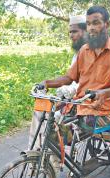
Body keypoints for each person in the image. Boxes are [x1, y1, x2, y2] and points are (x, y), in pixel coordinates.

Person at [39, 5, 110, 141]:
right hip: (79, 107)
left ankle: (68, 160)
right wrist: (47, 83)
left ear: (106, 25)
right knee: (48, 128)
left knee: (66, 133)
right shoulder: (84, 50)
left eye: (96, 23)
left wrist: (105, 93)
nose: (91, 28)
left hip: (104, 111)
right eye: (89, 24)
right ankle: (54, 162)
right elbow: (69, 78)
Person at [28, 15, 87, 151]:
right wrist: (47, 83)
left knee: (53, 128)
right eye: (70, 32)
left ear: (85, 32)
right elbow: (69, 78)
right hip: (71, 101)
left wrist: (68, 93)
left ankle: (48, 161)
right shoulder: (77, 54)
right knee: (41, 115)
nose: (71, 35)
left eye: (75, 31)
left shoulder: (93, 52)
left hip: (85, 103)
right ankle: (36, 155)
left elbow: (89, 83)